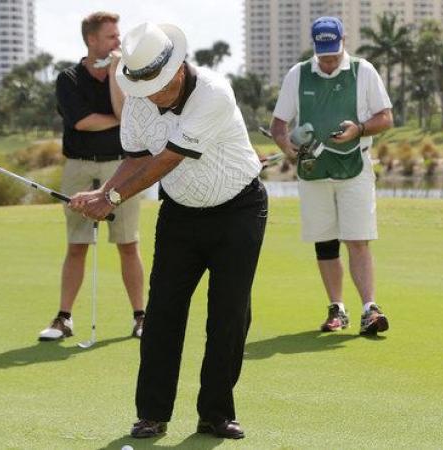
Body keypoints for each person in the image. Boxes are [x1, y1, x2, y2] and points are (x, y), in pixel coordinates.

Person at [69, 22, 267, 440]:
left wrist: (114, 199)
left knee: (228, 314)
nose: (151, 95)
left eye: (158, 85)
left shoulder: (214, 92)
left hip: (239, 211)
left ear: (177, 69)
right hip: (180, 213)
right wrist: (102, 193)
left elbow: (167, 160)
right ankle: (152, 414)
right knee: (162, 313)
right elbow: (136, 158)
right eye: (143, 87)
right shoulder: (141, 97)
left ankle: (215, 413)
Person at [270, 16, 393, 334]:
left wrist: (360, 129)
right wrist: (287, 147)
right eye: (323, 52)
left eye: (333, 52)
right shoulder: (297, 74)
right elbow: (279, 125)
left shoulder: (363, 71)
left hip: (355, 167)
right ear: (314, 45)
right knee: (325, 242)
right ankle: (337, 308)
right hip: (313, 171)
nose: (328, 59)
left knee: (357, 239)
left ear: (343, 42)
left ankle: (370, 308)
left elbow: (386, 117)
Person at [39, 12, 145, 342]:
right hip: (80, 167)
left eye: (118, 35)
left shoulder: (126, 75)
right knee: (77, 246)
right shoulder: (68, 78)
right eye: (112, 37)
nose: (118, 41)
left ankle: (142, 318)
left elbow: (125, 113)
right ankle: (64, 318)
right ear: (92, 40)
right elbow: (83, 122)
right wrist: (118, 117)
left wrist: (115, 73)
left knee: (128, 244)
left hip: (121, 166)